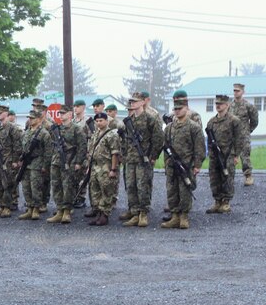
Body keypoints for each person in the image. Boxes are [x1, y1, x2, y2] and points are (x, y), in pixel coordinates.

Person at [160, 95, 205, 230]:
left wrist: (197, 165)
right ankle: (175, 216)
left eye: (180, 108)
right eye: (175, 109)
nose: (177, 111)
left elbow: (200, 147)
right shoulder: (169, 128)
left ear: (186, 108)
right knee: (172, 190)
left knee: (185, 190)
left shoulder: (194, 127)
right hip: (172, 165)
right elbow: (166, 148)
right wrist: (167, 163)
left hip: (187, 164)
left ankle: (184, 216)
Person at [120, 94, 163, 227]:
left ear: (142, 103)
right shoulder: (128, 121)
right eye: (131, 101)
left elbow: (158, 139)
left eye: (135, 101)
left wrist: (153, 156)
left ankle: (143, 213)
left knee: (143, 186)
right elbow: (125, 140)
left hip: (143, 159)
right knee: (131, 186)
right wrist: (124, 155)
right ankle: (134, 213)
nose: (132, 103)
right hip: (131, 159)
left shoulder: (150, 119)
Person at [204, 94, 244, 214]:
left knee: (227, 177)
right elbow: (209, 141)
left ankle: (226, 202)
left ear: (227, 105)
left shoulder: (234, 121)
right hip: (215, 156)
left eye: (220, 104)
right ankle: (217, 201)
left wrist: (236, 155)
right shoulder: (211, 122)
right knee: (214, 178)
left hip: (228, 154)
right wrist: (211, 154)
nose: (218, 106)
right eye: (216, 104)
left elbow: (239, 139)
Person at [47, 108, 87, 224]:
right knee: (56, 186)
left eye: (63, 113)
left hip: (70, 161)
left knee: (68, 187)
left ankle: (67, 212)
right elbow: (51, 144)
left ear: (70, 114)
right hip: (56, 161)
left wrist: (79, 162)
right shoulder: (56, 129)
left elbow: (82, 146)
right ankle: (59, 210)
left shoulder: (76, 129)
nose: (60, 115)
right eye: (60, 113)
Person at [86, 112, 121, 226]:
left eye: (101, 121)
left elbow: (115, 153)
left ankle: (104, 215)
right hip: (95, 166)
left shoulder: (112, 135)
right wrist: (88, 167)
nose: (98, 123)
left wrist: (113, 169)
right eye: (97, 121)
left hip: (106, 166)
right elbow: (91, 150)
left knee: (106, 191)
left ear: (107, 121)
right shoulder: (96, 133)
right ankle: (98, 214)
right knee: (95, 191)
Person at [17, 110, 51, 221]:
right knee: (26, 186)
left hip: (37, 162)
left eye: (32, 118)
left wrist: (45, 166)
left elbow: (48, 151)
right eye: (29, 118)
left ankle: (36, 208)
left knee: (35, 186)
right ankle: (30, 208)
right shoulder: (27, 132)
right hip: (26, 163)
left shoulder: (44, 133)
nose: (30, 120)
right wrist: (20, 160)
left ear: (38, 119)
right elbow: (23, 148)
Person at [0, 105, 21, 218]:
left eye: (0, 113)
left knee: (7, 184)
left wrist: (16, 160)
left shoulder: (13, 128)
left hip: (8, 161)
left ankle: (7, 207)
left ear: (6, 113)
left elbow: (17, 145)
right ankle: (0, 205)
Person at [231, 82, 259, 186]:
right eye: (234, 90)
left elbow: (255, 120)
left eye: (237, 91)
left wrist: (248, 130)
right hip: (232, 136)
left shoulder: (248, 106)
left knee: (245, 156)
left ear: (243, 92)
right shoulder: (230, 105)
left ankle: (248, 176)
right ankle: (229, 177)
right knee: (230, 156)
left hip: (243, 136)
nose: (235, 93)